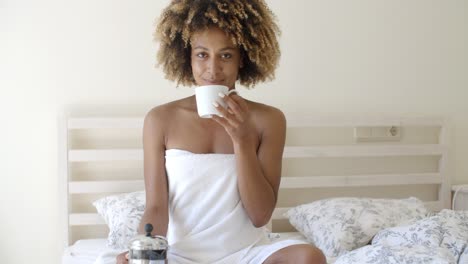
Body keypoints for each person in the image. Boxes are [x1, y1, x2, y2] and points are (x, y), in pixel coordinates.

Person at [117, 0, 326, 263]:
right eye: (202, 55)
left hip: (247, 254)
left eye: (226, 55)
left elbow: (260, 215)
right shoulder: (160, 119)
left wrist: (242, 140)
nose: (213, 69)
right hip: (183, 255)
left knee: (309, 256)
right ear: (187, 57)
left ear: (243, 59)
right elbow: (156, 208)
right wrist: (143, 250)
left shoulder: (269, 120)